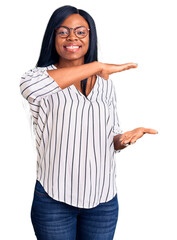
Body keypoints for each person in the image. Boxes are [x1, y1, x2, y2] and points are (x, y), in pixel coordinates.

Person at [19, 5, 158, 240]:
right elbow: (34, 90)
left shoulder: (104, 84)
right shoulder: (36, 78)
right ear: (52, 37)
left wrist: (122, 140)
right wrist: (96, 66)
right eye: (63, 32)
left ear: (90, 37)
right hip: (55, 200)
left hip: (103, 201)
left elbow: (110, 137)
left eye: (80, 32)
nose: (72, 37)